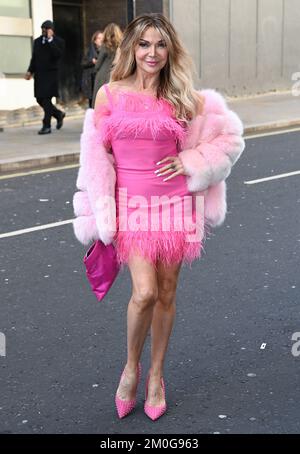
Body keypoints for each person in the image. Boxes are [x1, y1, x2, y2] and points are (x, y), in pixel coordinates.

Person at [72, 13, 245, 421]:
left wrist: (191, 160)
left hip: (174, 207)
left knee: (167, 293)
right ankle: (131, 368)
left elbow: (230, 137)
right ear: (132, 47)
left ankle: (156, 376)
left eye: (161, 44)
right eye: (145, 44)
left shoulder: (184, 97)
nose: (153, 53)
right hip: (131, 207)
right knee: (144, 292)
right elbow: (96, 160)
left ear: (171, 50)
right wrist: (101, 210)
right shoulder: (109, 94)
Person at [25, 20, 65, 135]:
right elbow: (34, 58)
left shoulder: (59, 42)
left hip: (51, 75)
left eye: (46, 29)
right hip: (40, 75)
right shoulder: (37, 42)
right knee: (39, 99)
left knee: (47, 100)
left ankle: (46, 125)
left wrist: (50, 40)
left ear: (51, 30)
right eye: (43, 28)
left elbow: (57, 55)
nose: (44, 31)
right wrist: (29, 71)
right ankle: (58, 114)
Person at [91, 23, 123, 108]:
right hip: (116, 74)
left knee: (101, 101)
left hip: (103, 75)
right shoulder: (121, 46)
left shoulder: (105, 46)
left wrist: (95, 66)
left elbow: (98, 65)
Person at [81, 30, 103, 108]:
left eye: (102, 38)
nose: (101, 40)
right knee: (92, 102)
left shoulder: (105, 50)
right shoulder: (89, 51)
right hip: (90, 79)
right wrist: (92, 62)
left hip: (100, 79)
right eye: (99, 38)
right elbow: (83, 63)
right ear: (95, 40)